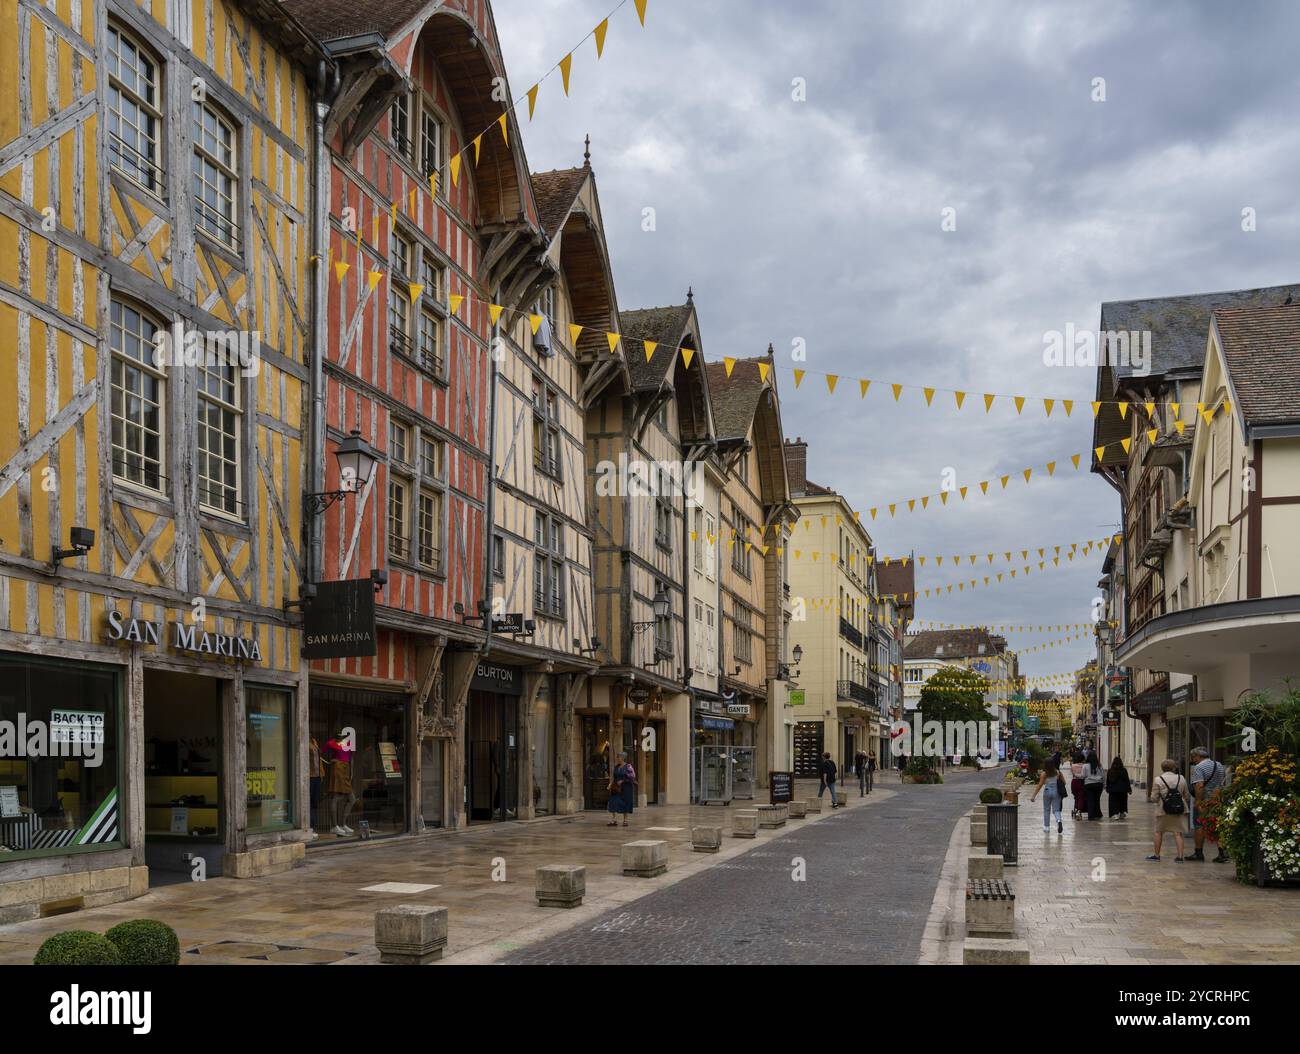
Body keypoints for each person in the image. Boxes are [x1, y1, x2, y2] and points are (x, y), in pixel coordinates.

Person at [1188, 747, 1229, 862]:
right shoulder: (1219, 765)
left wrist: (1198, 802)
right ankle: (1222, 853)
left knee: (1199, 825)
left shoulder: (1199, 767)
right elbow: (1223, 782)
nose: (1193, 760)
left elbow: (1199, 785)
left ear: (1198, 756)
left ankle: (1198, 853)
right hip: (1217, 799)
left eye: (1193, 758)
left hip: (1205, 801)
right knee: (1218, 825)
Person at [1148, 758, 1190, 861]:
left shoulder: (1158, 779)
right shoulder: (1181, 778)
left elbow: (1153, 798)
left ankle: (1156, 855)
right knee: (1178, 833)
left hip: (1163, 810)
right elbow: (1186, 795)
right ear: (1174, 768)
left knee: (1159, 832)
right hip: (1179, 809)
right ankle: (1180, 857)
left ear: (1162, 768)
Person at [1030, 759, 1067, 834]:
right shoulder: (1058, 772)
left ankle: (1047, 827)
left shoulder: (1044, 774)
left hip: (1047, 791)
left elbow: (1040, 785)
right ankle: (1059, 821)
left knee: (1046, 810)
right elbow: (1064, 782)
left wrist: (1033, 796)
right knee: (1056, 809)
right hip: (1056, 792)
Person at [607, 751, 636, 827]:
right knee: (613, 801)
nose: (617, 758)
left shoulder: (628, 766)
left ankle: (625, 820)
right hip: (616, 787)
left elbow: (632, 776)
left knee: (625, 803)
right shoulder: (616, 767)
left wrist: (623, 781)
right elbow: (614, 777)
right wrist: (610, 784)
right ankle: (614, 820)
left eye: (619, 757)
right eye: (617, 757)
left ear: (623, 758)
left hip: (626, 788)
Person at [1083, 749, 1105, 820]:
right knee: (1097, 799)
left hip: (1089, 785)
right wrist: (1104, 784)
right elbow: (1103, 775)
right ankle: (1098, 814)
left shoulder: (1085, 766)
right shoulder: (1099, 766)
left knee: (1090, 800)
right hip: (1098, 785)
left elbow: (1083, 775)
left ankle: (1091, 815)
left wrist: (1076, 775)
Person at [1068, 751, 1086, 820]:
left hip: (1074, 782)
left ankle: (1076, 808)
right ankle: (1079, 810)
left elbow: (1072, 774)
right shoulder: (1084, 766)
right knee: (1081, 796)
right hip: (1082, 782)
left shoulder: (1073, 766)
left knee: (1076, 796)